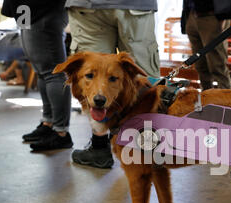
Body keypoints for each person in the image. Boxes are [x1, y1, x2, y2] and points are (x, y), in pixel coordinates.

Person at [65, 0, 160, 169]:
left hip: (88, 5)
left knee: (90, 73)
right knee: (142, 78)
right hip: (135, 6)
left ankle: (100, 146)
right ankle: (145, 150)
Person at [2, 0, 73, 151]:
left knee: (53, 72)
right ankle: (49, 123)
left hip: (41, 8)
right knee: (40, 70)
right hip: (24, 8)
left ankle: (61, 132)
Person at [181, 0, 231, 91]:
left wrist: (223, 15)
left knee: (217, 65)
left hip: (212, 15)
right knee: (200, 65)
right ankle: (205, 99)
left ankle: (226, 101)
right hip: (191, 13)